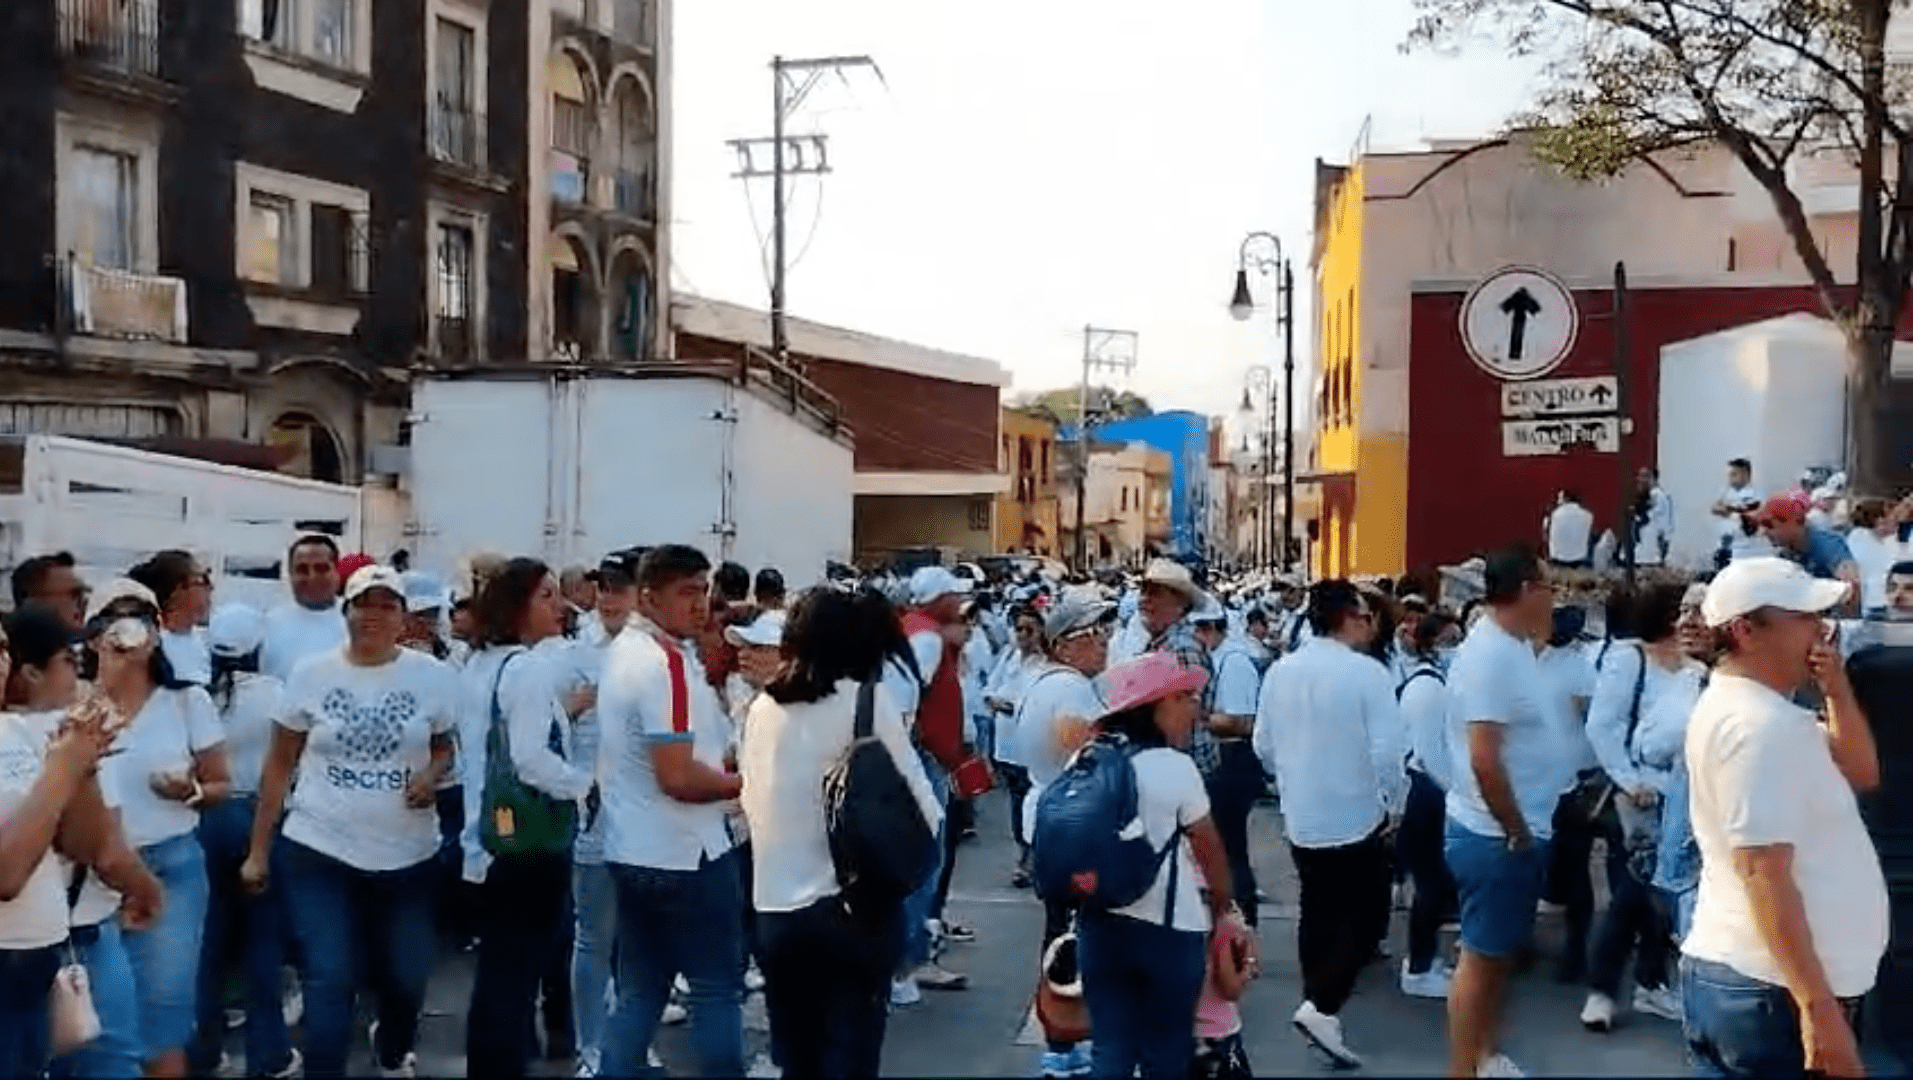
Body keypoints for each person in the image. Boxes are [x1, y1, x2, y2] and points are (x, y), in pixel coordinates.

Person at [243, 564, 459, 1080]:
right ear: (347, 612)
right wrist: (257, 850)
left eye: (387, 606)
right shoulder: (310, 674)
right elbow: (278, 766)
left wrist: (431, 774)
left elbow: (445, 746)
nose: (374, 616)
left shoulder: (434, 677)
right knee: (329, 977)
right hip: (320, 847)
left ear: (404, 618)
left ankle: (391, 1045)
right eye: (364, 604)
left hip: (407, 854)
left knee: (406, 977)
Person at [1681, 558, 1884, 1079]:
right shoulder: (1758, 728)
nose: (1823, 629)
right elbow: (1762, 874)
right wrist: (1818, 1011)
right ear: (1747, 631)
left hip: (1764, 988)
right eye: (1805, 616)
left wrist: (1836, 691)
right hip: (1771, 996)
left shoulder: (1759, 712)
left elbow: (1861, 772)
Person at [740, 588, 942, 1079]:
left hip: (774, 909)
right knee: (851, 1054)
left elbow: (748, 799)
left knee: (797, 1055)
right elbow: (927, 810)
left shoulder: (761, 708)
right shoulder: (869, 704)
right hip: (853, 910)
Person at [595, 545, 747, 1079]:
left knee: (640, 990)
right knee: (716, 989)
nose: (700, 603)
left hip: (632, 849)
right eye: (686, 592)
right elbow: (679, 776)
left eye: (703, 590)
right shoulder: (664, 664)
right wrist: (746, 787)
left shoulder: (625, 651)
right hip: (688, 852)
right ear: (648, 596)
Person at [4, 606, 161, 1080]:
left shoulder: (18, 733)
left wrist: (85, 767)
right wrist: (62, 771)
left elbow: (81, 844)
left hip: (37, 959)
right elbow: (7, 874)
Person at [1254, 580, 1406, 1069]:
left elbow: (1264, 744)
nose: (1369, 624)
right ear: (1346, 617)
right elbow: (1388, 753)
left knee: (1318, 909)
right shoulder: (1368, 674)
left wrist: (1293, 777)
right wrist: (1393, 804)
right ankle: (1322, 1004)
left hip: (1303, 812)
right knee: (1361, 918)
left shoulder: (1281, 670)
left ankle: (1317, 999)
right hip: (1357, 812)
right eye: (1364, 615)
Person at [1075, 652, 1242, 1080]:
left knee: (1109, 1049)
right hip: (1171, 929)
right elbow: (1211, 853)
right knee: (1165, 1053)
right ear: (1155, 706)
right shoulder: (1175, 768)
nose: (1195, 707)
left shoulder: (1088, 759)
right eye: (1184, 697)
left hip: (1098, 922)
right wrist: (1225, 907)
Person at [89, 578, 232, 1080]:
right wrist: (103, 684)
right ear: (93, 635)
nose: (130, 631)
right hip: (94, 878)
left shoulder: (187, 701)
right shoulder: (79, 707)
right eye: (115, 619)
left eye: (140, 618)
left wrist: (189, 791)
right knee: (101, 1028)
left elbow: (221, 785)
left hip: (170, 869)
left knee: (164, 1017)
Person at [459, 560, 595, 1079]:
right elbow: (531, 758)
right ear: (517, 606)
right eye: (546, 595)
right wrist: (584, 786)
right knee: (514, 984)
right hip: (528, 843)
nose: (559, 606)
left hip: (485, 839)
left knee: (497, 981)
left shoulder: (478, 665)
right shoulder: (529, 667)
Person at [1444, 547, 1571, 1080]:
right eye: (1547, 586)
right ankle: (1463, 1069)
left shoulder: (1512, 646)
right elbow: (1484, 757)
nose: (1554, 597)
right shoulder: (1492, 656)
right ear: (1526, 590)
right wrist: (1515, 829)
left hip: (1513, 829)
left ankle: (1485, 1054)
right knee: (1480, 957)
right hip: (1496, 834)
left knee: (1498, 958)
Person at [191, 604, 300, 1078]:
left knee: (208, 944)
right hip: (261, 819)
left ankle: (203, 1051)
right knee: (263, 943)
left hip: (206, 816)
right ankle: (269, 1054)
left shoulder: (198, 695)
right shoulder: (277, 693)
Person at [1013, 590, 1114, 1080]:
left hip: (1050, 820)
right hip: (1072, 826)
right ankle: (1069, 1041)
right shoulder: (1071, 691)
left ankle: (1064, 1041)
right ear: (1069, 644)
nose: (1104, 645)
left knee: (1063, 935)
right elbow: (1085, 758)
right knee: (1077, 940)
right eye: (1096, 636)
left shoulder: (1041, 682)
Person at [1579, 582, 1689, 1031]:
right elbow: (1602, 726)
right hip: (1637, 798)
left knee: (1665, 897)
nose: (1693, 619)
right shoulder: (1630, 659)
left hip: (1683, 797)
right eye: (1685, 610)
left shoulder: (1696, 667)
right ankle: (1603, 990)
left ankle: (1650, 981)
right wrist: (1629, 780)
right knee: (1631, 895)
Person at [1630, 584, 1709, 944]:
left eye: (1700, 611)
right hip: (1683, 844)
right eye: (1683, 612)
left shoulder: (1729, 687)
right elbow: (1646, 747)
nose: (1687, 622)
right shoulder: (1688, 682)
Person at [1396, 610, 1461, 1000]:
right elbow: (1430, 753)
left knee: (1433, 884)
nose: (1458, 649)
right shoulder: (1428, 689)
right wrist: (1455, 794)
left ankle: (1424, 962)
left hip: (1428, 790)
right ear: (1432, 645)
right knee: (1431, 885)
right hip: (1425, 794)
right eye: (1451, 642)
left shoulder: (1435, 684)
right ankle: (1419, 968)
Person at [1198, 596, 1264, 928]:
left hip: (1233, 761)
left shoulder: (1234, 661)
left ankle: (1243, 922)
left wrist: (1200, 719)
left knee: (1230, 849)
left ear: (1209, 628)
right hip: (1218, 759)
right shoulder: (1214, 658)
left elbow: (1243, 721)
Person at [1756, 492, 1861, 616]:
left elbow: (1852, 589)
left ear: (1795, 522)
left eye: (1769, 525)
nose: (1763, 532)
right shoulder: (1785, 553)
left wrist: (1846, 627)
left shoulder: (1828, 547)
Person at [260, 536, 347, 683]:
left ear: (336, 572)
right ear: (290, 574)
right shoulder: (267, 625)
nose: (311, 576)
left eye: (321, 568)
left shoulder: (357, 620)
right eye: (302, 569)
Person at [130, 551, 214, 687]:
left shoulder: (205, 641)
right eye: (204, 579)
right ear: (179, 588)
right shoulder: (144, 647)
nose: (210, 588)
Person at [11, 552, 90, 634]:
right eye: (67, 568)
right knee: (23, 607)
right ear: (64, 563)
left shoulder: (50, 561)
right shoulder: (49, 566)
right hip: (21, 581)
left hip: (22, 579)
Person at [1711, 458, 1766, 567]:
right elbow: (1715, 508)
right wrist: (1728, 509)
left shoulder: (1755, 493)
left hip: (1742, 550)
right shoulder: (1727, 491)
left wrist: (1730, 509)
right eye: (1730, 474)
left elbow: (1748, 512)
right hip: (1724, 546)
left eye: (1734, 474)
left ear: (1745, 475)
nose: (1730, 478)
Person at [1545, 491, 1595, 569]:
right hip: (1580, 559)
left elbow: (1546, 532)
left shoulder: (1554, 514)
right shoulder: (1588, 515)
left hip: (1556, 558)